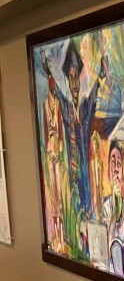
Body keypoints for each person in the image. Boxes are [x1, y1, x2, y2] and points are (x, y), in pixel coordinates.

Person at [51, 41, 109, 218]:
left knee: (86, 204)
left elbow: (93, 93)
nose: (74, 83)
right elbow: (57, 94)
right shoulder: (67, 108)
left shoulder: (84, 107)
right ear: (67, 81)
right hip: (72, 167)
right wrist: (48, 70)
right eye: (70, 78)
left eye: (76, 77)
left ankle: (86, 213)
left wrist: (101, 72)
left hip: (85, 169)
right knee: (73, 205)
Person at [101, 141, 124, 279]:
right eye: (113, 163)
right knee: (116, 247)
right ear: (108, 170)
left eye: (119, 164)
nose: (116, 168)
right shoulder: (102, 207)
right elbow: (101, 252)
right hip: (110, 270)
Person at [41, 70, 65, 252]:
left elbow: (61, 125)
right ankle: (55, 234)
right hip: (50, 148)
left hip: (57, 145)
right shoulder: (44, 105)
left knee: (59, 187)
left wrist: (61, 143)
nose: (54, 90)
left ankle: (62, 236)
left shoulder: (57, 105)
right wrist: (48, 144)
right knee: (52, 190)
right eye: (52, 87)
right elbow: (44, 127)